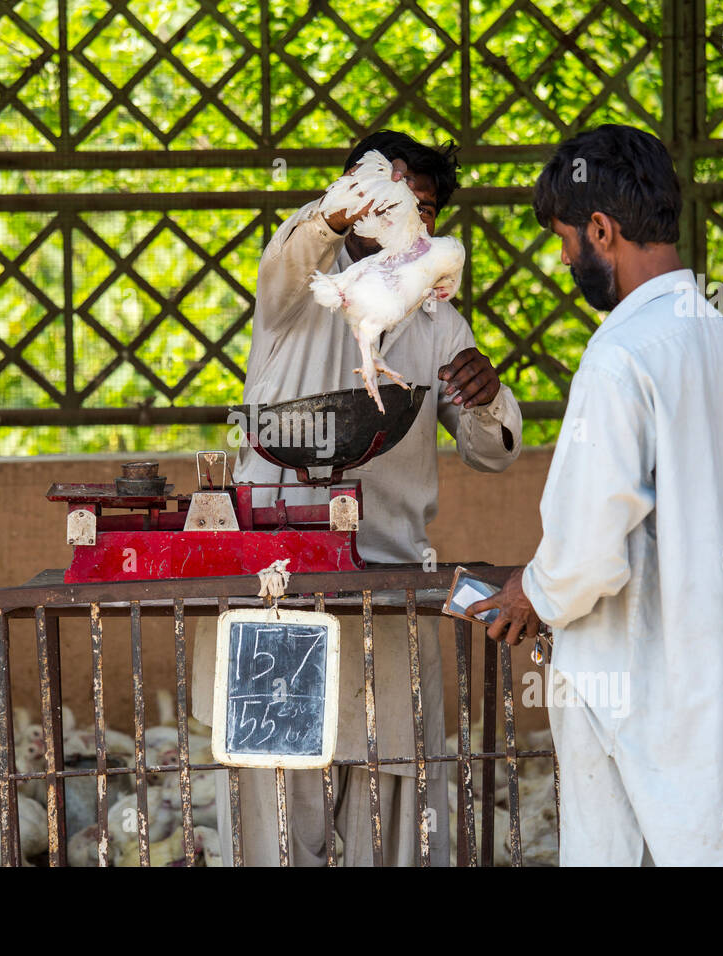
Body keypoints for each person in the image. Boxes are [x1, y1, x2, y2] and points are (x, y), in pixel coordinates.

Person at [191, 129, 524, 865]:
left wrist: (486, 394)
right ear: (349, 199)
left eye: (423, 207)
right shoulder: (297, 285)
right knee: (275, 813)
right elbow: (295, 249)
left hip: (390, 592)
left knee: (396, 804)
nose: (404, 217)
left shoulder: (439, 323)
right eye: (385, 197)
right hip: (276, 591)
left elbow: (491, 452)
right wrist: (338, 213)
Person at [468, 124, 723, 865]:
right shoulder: (720, 340)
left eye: (565, 238)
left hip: (629, 688)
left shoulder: (619, 356)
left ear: (602, 231)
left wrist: (528, 591)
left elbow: (585, 558)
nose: (563, 258)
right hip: (712, 692)